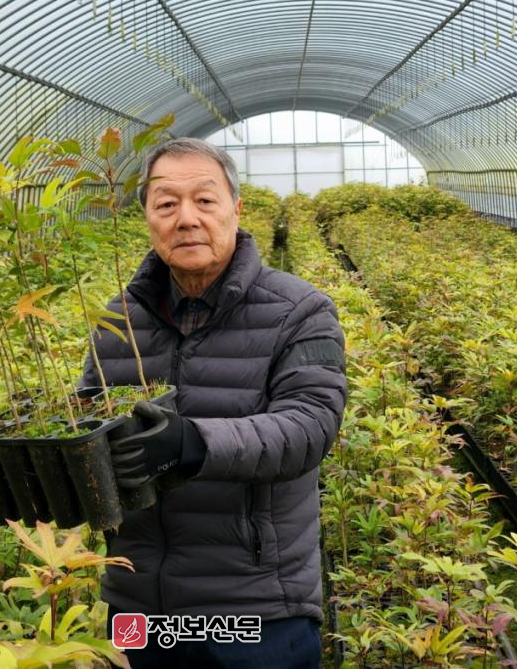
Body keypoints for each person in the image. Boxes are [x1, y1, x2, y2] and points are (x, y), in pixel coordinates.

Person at [81, 138, 346, 669]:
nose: (186, 219)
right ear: (147, 218)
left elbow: (310, 426)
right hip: (138, 605)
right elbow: (85, 420)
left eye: (204, 200)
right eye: (166, 203)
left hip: (254, 606)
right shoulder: (117, 320)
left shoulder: (300, 311)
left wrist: (195, 442)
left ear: (235, 209)